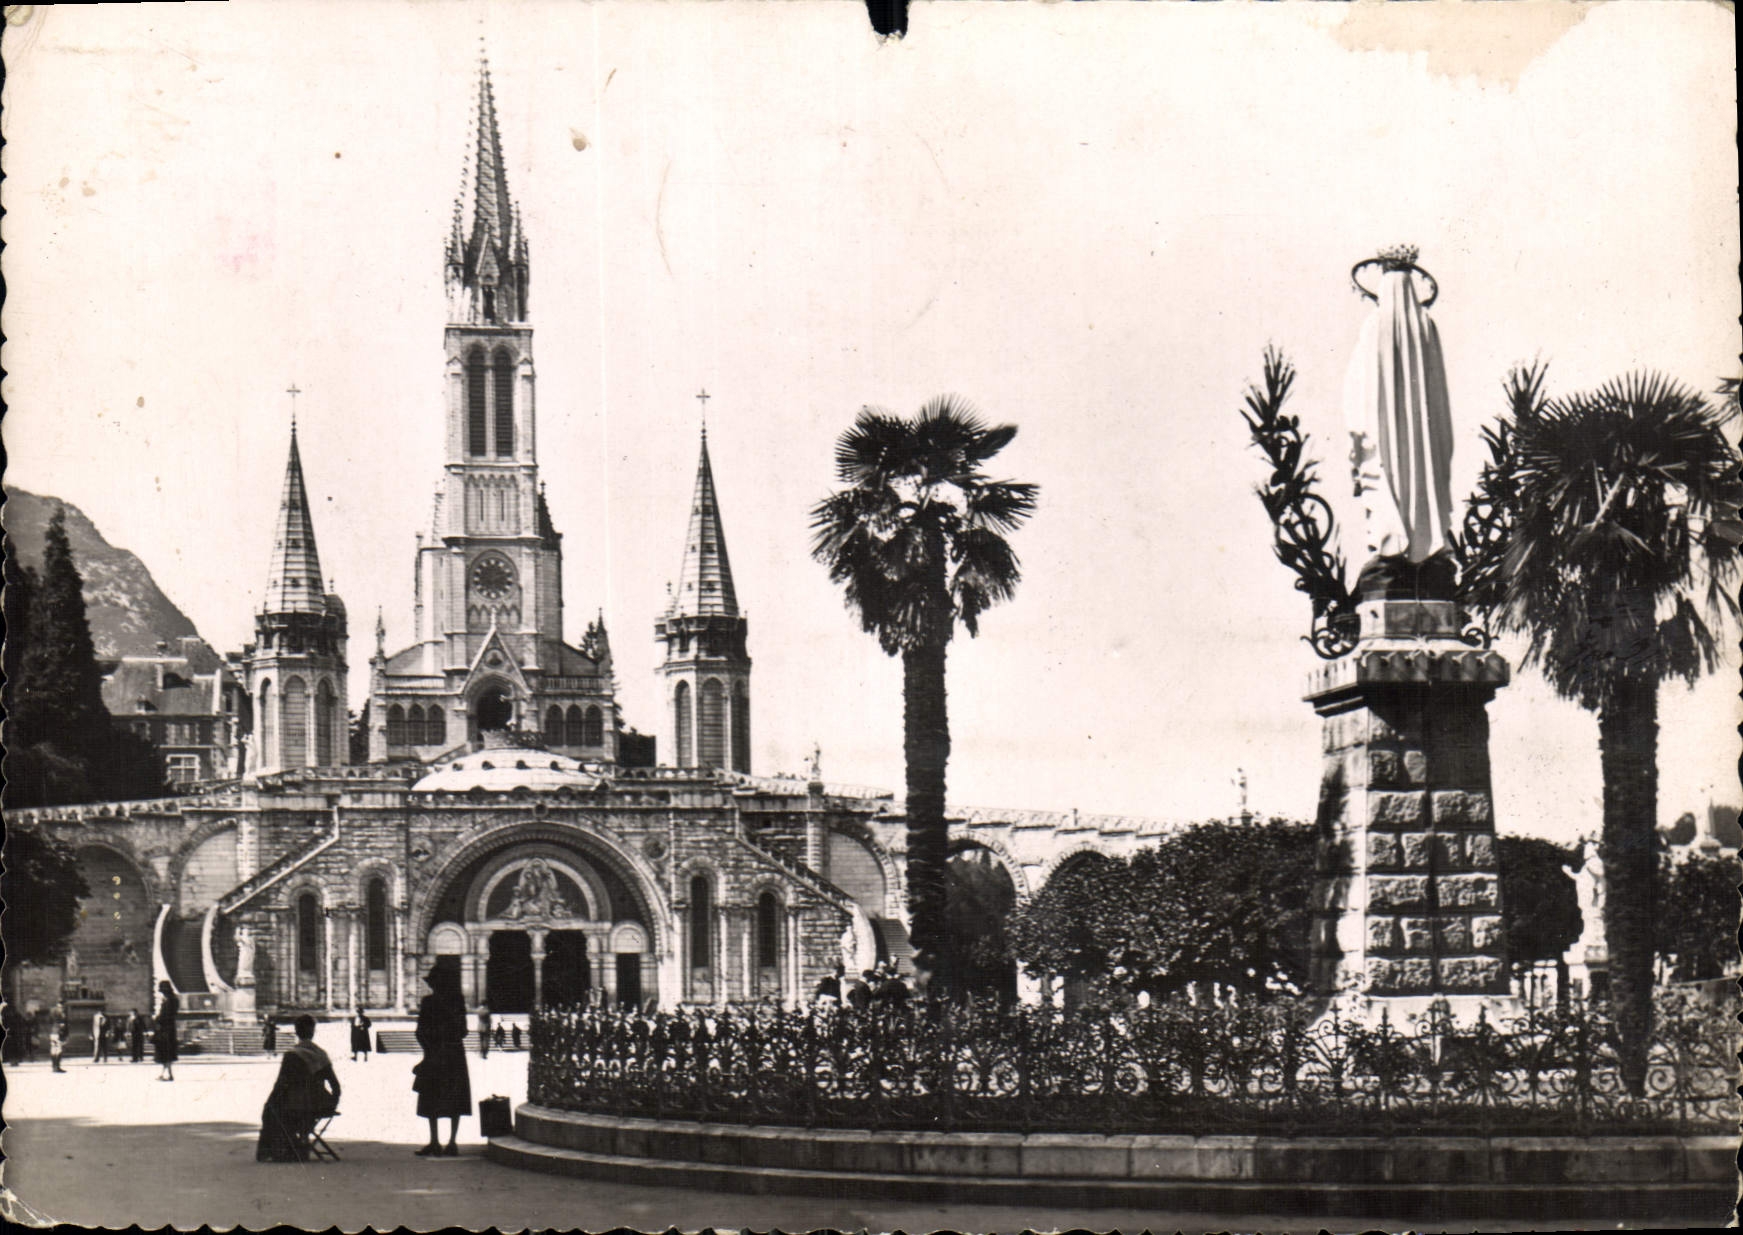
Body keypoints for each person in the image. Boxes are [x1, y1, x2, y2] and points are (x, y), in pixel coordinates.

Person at [256, 1014, 342, 1163]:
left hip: (297, 1105)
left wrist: (270, 1102)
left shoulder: (292, 1055)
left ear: (296, 1032)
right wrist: (332, 1103)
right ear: (313, 1031)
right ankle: (301, 1141)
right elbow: (335, 1086)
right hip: (319, 1104)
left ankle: (279, 1150)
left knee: (271, 1110)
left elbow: (281, 1085)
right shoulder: (321, 1054)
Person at [412, 964, 471, 1157]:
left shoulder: (428, 1002)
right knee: (455, 1097)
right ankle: (452, 1142)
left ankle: (435, 1141)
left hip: (434, 1053)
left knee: (431, 1097)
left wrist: (430, 1049)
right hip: (454, 1055)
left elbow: (420, 1031)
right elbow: (463, 1030)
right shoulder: (458, 1001)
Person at [154, 979, 179, 1081]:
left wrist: (157, 1018)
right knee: (167, 1053)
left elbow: (165, 1015)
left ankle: (167, 1074)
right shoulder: (174, 999)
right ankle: (166, 1073)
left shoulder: (168, 1001)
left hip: (165, 1030)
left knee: (165, 1053)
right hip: (170, 1029)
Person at [49, 1005, 67, 1073]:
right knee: (59, 1049)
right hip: (58, 1033)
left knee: (53, 1049)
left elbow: (49, 1021)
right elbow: (63, 1026)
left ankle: (54, 1066)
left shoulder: (52, 1013)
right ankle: (57, 1066)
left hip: (52, 1032)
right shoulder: (62, 1015)